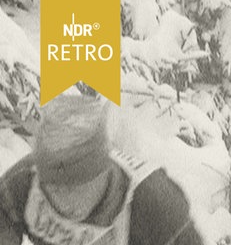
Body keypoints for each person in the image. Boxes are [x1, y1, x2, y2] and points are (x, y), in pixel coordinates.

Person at [0, 95, 204, 245]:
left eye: (74, 188)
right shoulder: (26, 183)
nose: (62, 202)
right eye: (52, 189)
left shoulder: (154, 203)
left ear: (102, 172)